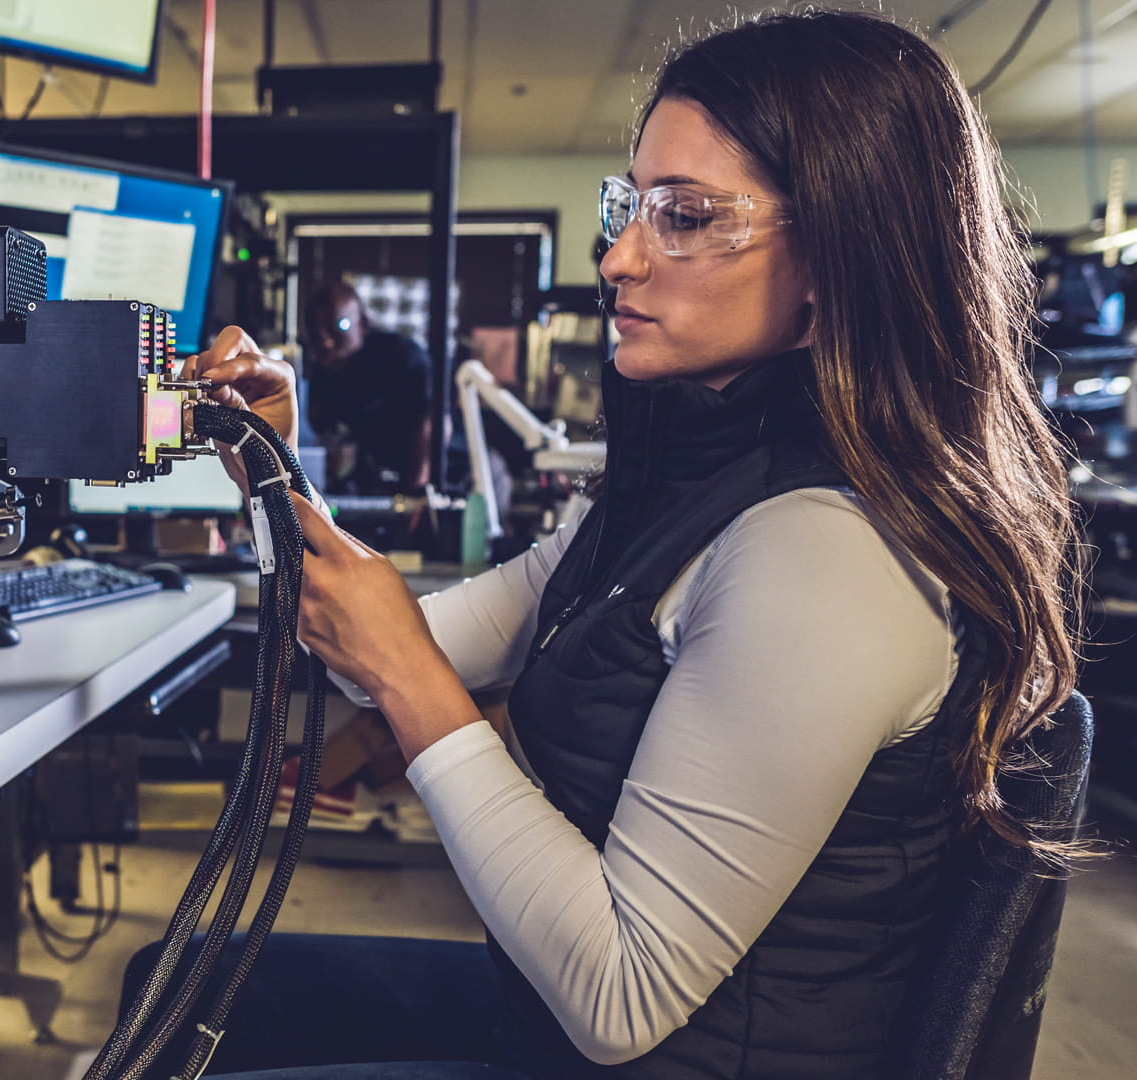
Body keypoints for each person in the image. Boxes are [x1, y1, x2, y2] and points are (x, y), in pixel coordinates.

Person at [136, 9, 1087, 1079]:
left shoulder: (829, 555)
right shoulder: (683, 476)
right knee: (173, 984)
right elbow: (377, 640)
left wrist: (410, 682)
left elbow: (621, 995)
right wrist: (278, 466)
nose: (619, 256)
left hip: (642, 1049)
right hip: (553, 1021)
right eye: (630, 207)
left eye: (682, 216)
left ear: (840, 259)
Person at [300, 281, 434, 495]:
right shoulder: (325, 374)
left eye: (339, 326)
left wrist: (417, 491)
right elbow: (323, 433)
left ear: (363, 323)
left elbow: (433, 425)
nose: (325, 342)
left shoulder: (400, 356)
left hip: (459, 473)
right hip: (390, 479)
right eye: (317, 332)